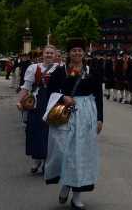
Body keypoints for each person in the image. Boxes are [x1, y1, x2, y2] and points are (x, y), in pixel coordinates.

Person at [45, 38, 103, 210]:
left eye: (80, 50)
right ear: (68, 53)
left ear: (84, 53)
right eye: (74, 50)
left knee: (82, 155)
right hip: (65, 114)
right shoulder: (60, 71)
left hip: (86, 115)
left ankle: (77, 196)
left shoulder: (91, 71)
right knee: (64, 151)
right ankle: (65, 183)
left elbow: (98, 95)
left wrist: (100, 118)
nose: (77, 53)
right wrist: (63, 97)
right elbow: (50, 91)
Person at [17, 45, 58, 174]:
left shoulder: (59, 69)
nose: (49, 55)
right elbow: (26, 86)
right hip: (37, 101)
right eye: (47, 53)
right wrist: (20, 101)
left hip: (53, 101)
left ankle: (46, 160)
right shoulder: (34, 68)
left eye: (52, 53)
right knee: (35, 129)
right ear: (43, 54)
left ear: (55, 55)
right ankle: (37, 159)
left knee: (50, 131)